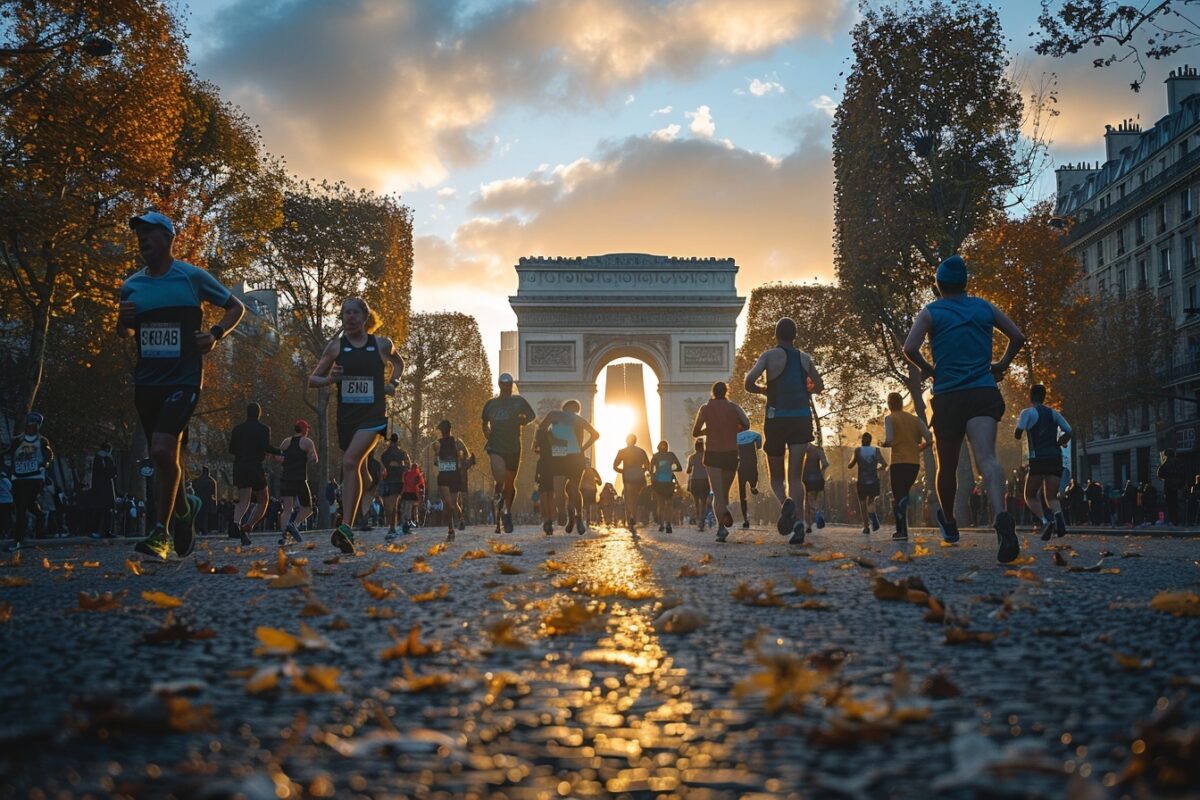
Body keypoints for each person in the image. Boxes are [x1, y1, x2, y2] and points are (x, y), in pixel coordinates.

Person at [119, 211, 245, 559]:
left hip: (184, 377)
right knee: (164, 460)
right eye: (139, 234)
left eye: (149, 233)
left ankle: (159, 534)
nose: (142, 239)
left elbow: (236, 307)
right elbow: (125, 333)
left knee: (160, 449)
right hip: (147, 381)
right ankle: (185, 509)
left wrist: (216, 334)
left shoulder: (191, 277)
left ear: (168, 237)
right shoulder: (131, 285)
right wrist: (122, 322)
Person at [902, 254, 1025, 563]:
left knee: (948, 465)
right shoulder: (984, 307)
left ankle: (950, 523)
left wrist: (930, 369)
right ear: (965, 283)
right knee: (987, 458)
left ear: (939, 285)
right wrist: (1001, 364)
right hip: (983, 390)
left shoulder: (931, 312)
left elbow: (909, 348)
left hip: (949, 396)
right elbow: (1018, 336)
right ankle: (1001, 516)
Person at [308, 296, 403, 553]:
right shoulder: (335, 347)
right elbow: (312, 379)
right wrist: (330, 379)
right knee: (355, 465)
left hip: (373, 416)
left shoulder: (382, 344)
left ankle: (346, 527)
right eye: (345, 313)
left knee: (349, 462)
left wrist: (393, 383)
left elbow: (399, 363)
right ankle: (366, 480)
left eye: (354, 313)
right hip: (347, 416)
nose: (349, 317)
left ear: (365, 317)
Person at [743, 317, 825, 545]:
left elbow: (748, 382)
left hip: (776, 418)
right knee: (796, 477)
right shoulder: (804, 358)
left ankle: (785, 502)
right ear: (795, 336)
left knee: (777, 477)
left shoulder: (769, 356)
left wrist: (763, 390)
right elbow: (819, 386)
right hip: (801, 418)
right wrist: (806, 388)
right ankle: (799, 523)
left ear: (776, 335)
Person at [692, 381, 751, 542]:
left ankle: (721, 528)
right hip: (731, 454)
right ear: (726, 391)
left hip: (712, 454)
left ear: (713, 392)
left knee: (717, 494)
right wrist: (734, 428)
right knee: (723, 493)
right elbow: (746, 424)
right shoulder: (734, 407)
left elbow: (695, 432)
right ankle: (723, 513)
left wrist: (709, 429)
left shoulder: (705, 409)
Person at [1014, 384, 1072, 541]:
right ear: (1044, 396)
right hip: (1055, 458)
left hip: (1038, 459)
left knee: (1030, 495)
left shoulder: (1027, 412)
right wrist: (1060, 442)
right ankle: (1059, 518)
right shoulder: (1053, 413)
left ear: (1030, 396)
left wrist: (1021, 428)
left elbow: (1017, 434)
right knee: (1051, 497)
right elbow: (1069, 430)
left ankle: (1046, 521)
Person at [481, 373, 536, 534]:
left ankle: (507, 513)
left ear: (511, 384)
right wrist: (487, 434)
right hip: (495, 446)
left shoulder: (519, 401)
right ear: (499, 384)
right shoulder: (490, 404)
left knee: (509, 485)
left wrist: (522, 420)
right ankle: (500, 503)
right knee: (500, 479)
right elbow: (484, 423)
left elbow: (531, 416)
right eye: (502, 383)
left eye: (508, 383)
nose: (505, 386)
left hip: (513, 446)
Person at [536, 400, 598, 536]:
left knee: (560, 489)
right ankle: (577, 517)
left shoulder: (553, 415)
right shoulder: (579, 419)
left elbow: (541, 430)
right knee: (573, 490)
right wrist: (583, 448)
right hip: (575, 455)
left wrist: (548, 443)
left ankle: (565, 513)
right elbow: (595, 435)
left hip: (559, 453)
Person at [227, 402, 280, 545]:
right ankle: (249, 525)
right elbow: (265, 446)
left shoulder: (237, 429)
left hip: (239, 466)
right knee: (263, 500)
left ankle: (235, 523)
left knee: (244, 500)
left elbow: (231, 449)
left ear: (247, 413)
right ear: (259, 413)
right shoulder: (263, 429)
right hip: (255, 467)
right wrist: (279, 451)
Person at [881, 392, 932, 541]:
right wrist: (918, 448)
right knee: (904, 492)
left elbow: (889, 440)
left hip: (898, 462)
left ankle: (901, 531)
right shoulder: (915, 420)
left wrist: (883, 445)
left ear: (890, 404)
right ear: (902, 404)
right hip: (913, 463)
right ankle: (903, 525)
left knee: (898, 496)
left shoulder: (890, 418)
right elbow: (929, 438)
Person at [5, 413, 54, 551]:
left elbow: (49, 456)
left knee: (22, 507)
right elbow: (8, 453)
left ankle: (18, 540)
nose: (32, 427)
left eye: (35, 424)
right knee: (23, 506)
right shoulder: (17, 441)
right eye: (29, 424)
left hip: (34, 478)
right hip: (18, 478)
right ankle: (40, 515)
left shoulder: (42, 441)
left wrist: (45, 464)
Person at [275, 420, 317, 545]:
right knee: (308, 508)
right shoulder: (307, 441)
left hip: (286, 478)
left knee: (287, 509)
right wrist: (309, 458)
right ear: (304, 430)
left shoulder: (286, 441)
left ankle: (284, 535)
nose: (308, 431)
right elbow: (314, 458)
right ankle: (293, 525)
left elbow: (279, 458)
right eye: (307, 429)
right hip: (300, 479)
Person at [431, 420, 471, 541]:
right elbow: (467, 456)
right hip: (451, 475)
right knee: (450, 504)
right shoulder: (456, 442)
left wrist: (458, 459)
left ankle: (456, 524)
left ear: (441, 431)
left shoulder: (441, 443)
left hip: (448, 475)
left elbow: (435, 462)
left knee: (450, 504)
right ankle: (452, 529)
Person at [848, 433, 887, 535]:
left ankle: (866, 527)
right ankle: (873, 516)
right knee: (871, 501)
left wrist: (854, 458)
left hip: (862, 481)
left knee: (862, 504)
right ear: (870, 440)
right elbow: (885, 464)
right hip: (873, 480)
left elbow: (850, 465)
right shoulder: (876, 450)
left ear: (862, 440)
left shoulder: (858, 450)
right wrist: (877, 469)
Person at [612, 434, 651, 531]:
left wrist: (623, 471)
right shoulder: (641, 452)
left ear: (626, 441)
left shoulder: (622, 452)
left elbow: (615, 466)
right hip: (639, 478)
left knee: (629, 498)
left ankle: (629, 518)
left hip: (628, 478)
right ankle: (634, 516)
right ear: (635, 441)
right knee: (637, 499)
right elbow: (647, 466)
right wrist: (643, 470)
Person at [378, 433, 409, 541]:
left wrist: (390, 466)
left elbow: (382, 464)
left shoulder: (386, 453)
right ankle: (392, 527)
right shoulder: (402, 453)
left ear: (391, 441)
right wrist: (401, 470)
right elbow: (408, 464)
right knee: (393, 506)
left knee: (389, 506)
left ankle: (392, 528)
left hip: (390, 480)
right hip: (397, 481)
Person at [87, 442, 118, 539]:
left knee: (99, 510)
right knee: (107, 511)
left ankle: (96, 531)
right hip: (106, 488)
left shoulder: (97, 458)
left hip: (98, 488)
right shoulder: (107, 458)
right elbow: (111, 473)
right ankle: (106, 530)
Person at [650, 441, 683, 533]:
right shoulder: (671, 455)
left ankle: (661, 524)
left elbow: (650, 471)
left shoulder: (655, 456)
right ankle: (668, 524)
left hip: (658, 482)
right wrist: (671, 470)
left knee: (660, 504)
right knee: (669, 504)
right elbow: (679, 467)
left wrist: (654, 477)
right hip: (669, 481)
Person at [735, 428, 763, 529]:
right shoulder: (753, 434)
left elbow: (733, 449)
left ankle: (745, 519)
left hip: (741, 465)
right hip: (751, 461)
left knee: (742, 493)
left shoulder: (735, 436)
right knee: (754, 476)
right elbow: (759, 438)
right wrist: (758, 446)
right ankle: (753, 486)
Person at [800, 442, 829, 533]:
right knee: (813, 500)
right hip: (818, 478)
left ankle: (810, 523)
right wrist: (821, 472)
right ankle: (812, 521)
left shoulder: (802, 449)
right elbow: (825, 463)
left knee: (808, 502)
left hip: (807, 479)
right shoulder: (818, 449)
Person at [1157, 449, 1187, 526]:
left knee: (1170, 504)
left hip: (1169, 486)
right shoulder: (1179, 462)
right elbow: (1184, 473)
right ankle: (1181, 520)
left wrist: (1167, 478)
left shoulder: (1165, 463)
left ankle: (1173, 520)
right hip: (1178, 486)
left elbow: (1159, 474)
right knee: (1179, 504)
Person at [685, 440, 710, 530]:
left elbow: (688, 471)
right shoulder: (707, 456)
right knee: (703, 502)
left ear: (695, 447)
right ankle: (702, 520)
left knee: (696, 502)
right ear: (702, 446)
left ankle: (699, 519)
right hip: (705, 480)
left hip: (695, 481)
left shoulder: (691, 457)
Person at [399, 462, 425, 535]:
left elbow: (403, 481)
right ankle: (410, 523)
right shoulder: (417, 474)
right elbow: (421, 484)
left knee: (407, 508)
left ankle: (407, 522)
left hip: (406, 492)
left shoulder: (407, 473)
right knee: (412, 509)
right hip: (413, 493)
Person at [191, 466, 217, 536]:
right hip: (207, 500)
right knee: (206, 515)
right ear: (208, 472)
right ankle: (205, 529)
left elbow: (194, 488)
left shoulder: (196, 480)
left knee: (198, 515)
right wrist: (215, 503)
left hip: (198, 499)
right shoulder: (211, 481)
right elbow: (213, 492)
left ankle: (198, 529)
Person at [580, 460, 602, 527]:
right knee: (592, 506)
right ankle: (593, 522)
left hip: (583, 490)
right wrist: (595, 481)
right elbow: (600, 482)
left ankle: (585, 522)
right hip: (592, 490)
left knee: (584, 506)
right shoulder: (593, 470)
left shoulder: (581, 470)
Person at [0, 470, 12, 542]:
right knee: (6, 517)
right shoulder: (5, 479)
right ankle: (5, 532)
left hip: (6, 501)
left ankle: (6, 532)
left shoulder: (4, 480)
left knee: (5, 517)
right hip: (7, 501)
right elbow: (11, 488)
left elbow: (11, 488)